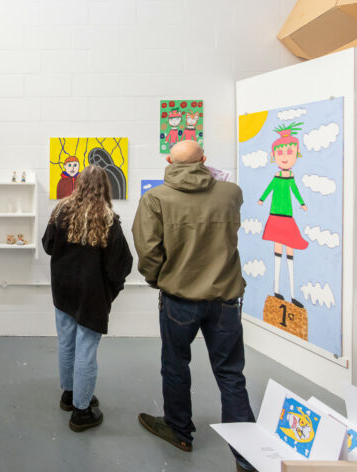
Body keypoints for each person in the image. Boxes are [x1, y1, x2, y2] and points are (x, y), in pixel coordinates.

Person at [132, 141, 256, 472]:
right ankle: (247, 459)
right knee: (231, 375)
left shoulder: (155, 198)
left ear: (169, 160)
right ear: (204, 159)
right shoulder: (231, 193)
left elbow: (147, 252)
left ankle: (179, 430)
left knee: (175, 366)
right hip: (225, 299)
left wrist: (160, 278)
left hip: (179, 299)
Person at [42, 165, 133, 433]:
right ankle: (81, 412)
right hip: (91, 294)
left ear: (79, 184)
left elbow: (48, 246)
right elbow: (121, 265)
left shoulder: (60, 211)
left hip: (63, 290)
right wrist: (113, 288)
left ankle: (69, 395)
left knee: (66, 344)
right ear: (105, 186)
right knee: (86, 351)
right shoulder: (107, 218)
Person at [258, 122, 308, 307]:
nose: (285, 157)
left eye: (289, 152)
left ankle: (293, 293)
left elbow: (295, 192)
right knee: (278, 251)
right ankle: (277, 289)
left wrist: (302, 203)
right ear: (274, 156)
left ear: (296, 153)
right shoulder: (276, 178)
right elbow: (269, 189)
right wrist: (262, 199)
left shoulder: (291, 179)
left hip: (287, 217)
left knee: (290, 250)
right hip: (275, 216)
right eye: (280, 153)